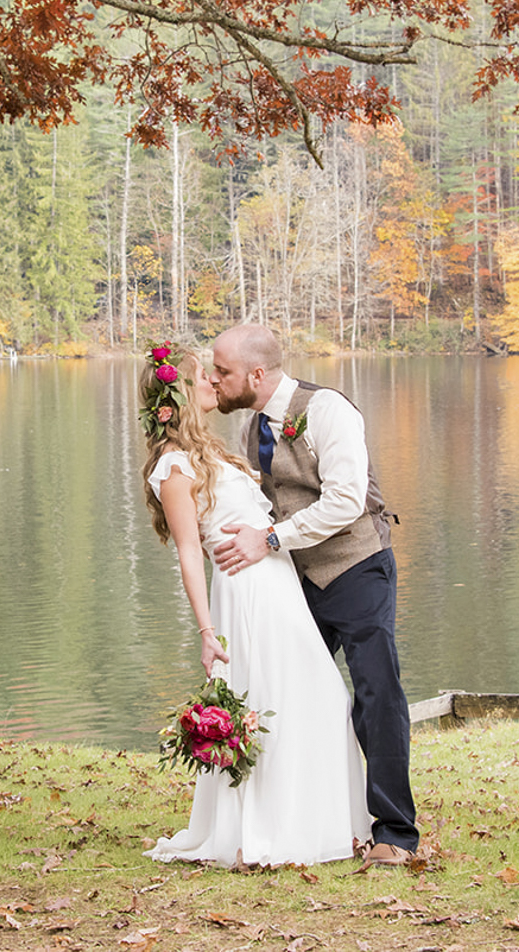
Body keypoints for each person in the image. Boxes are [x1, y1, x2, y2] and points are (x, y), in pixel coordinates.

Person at [140, 344, 369, 867]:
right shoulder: (174, 467)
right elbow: (190, 552)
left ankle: (324, 824)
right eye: (204, 378)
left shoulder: (216, 451)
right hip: (245, 592)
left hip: (278, 581)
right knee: (269, 701)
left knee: (318, 696)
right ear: (178, 395)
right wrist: (206, 631)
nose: (215, 385)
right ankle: (258, 832)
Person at [208, 323, 420, 866]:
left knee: (377, 695)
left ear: (256, 374)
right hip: (292, 580)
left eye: (223, 371)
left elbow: (347, 499)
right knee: (292, 694)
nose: (216, 380)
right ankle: (299, 823)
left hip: (357, 567)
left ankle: (395, 833)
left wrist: (271, 538)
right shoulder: (250, 427)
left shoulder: (328, 411)